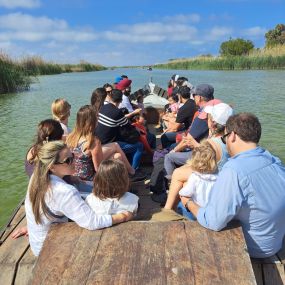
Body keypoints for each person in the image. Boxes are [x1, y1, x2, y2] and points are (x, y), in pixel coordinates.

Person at [181, 113, 285, 258]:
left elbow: (213, 221)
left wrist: (188, 203)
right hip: (275, 243)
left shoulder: (234, 169)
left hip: (253, 248)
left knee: (186, 210)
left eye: (224, 139)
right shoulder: (274, 161)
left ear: (233, 136)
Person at [25, 141, 133, 256]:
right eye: (68, 160)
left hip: (38, 243)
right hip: (50, 249)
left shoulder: (36, 178)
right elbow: (92, 222)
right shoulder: (64, 191)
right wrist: (123, 216)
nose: (75, 161)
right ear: (52, 166)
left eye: (73, 156)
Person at [163, 103, 233, 209]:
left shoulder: (211, 143)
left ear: (213, 123)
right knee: (182, 173)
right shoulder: (232, 140)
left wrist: (195, 145)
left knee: (178, 173)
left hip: (213, 177)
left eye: (208, 118)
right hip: (222, 176)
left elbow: (199, 164)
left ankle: (168, 208)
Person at [66, 105, 135, 181]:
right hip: (89, 180)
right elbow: (98, 169)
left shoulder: (70, 137)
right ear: (92, 121)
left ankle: (129, 176)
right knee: (116, 153)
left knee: (117, 155)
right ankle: (129, 176)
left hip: (74, 177)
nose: (98, 119)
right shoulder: (93, 141)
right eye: (97, 117)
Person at [96, 89, 145, 179]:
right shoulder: (117, 112)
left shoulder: (103, 107)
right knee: (139, 146)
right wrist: (138, 129)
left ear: (110, 97)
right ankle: (134, 172)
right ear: (121, 101)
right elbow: (128, 126)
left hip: (99, 142)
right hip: (107, 145)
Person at [176, 142, 218, 220]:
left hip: (197, 210)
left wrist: (181, 191)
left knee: (180, 205)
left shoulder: (195, 177)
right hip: (211, 210)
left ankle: (188, 221)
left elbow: (186, 192)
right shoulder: (218, 177)